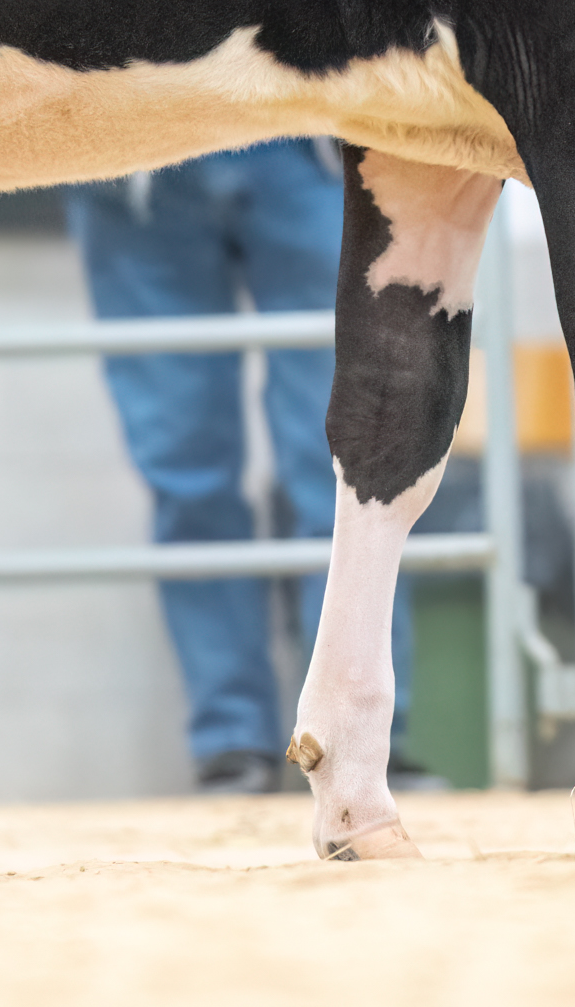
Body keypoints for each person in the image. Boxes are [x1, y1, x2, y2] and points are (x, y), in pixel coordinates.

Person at [66, 141, 431, 794]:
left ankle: (359, 733)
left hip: (301, 129)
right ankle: (232, 741)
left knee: (349, 468)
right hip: (131, 143)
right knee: (184, 469)